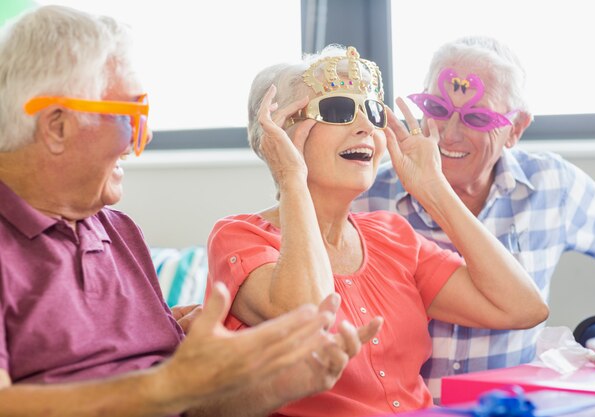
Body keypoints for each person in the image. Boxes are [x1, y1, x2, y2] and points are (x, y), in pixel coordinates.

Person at [0, 6, 382, 417]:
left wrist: (285, 383)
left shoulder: (119, 232)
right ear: (57, 126)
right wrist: (169, 385)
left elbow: (193, 403)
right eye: (133, 117)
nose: (138, 141)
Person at [206, 44, 547, 416]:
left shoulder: (393, 236)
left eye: (371, 111)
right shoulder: (238, 237)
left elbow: (522, 308)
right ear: (279, 135)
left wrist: (435, 191)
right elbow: (311, 311)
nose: (367, 126)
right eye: (338, 110)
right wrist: (292, 181)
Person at [353, 35, 595, 402]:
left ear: (516, 129)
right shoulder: (368, 195)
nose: (449, 133)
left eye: (477, 117)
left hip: (510, 409)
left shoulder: (551, 185)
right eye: (435, 107)